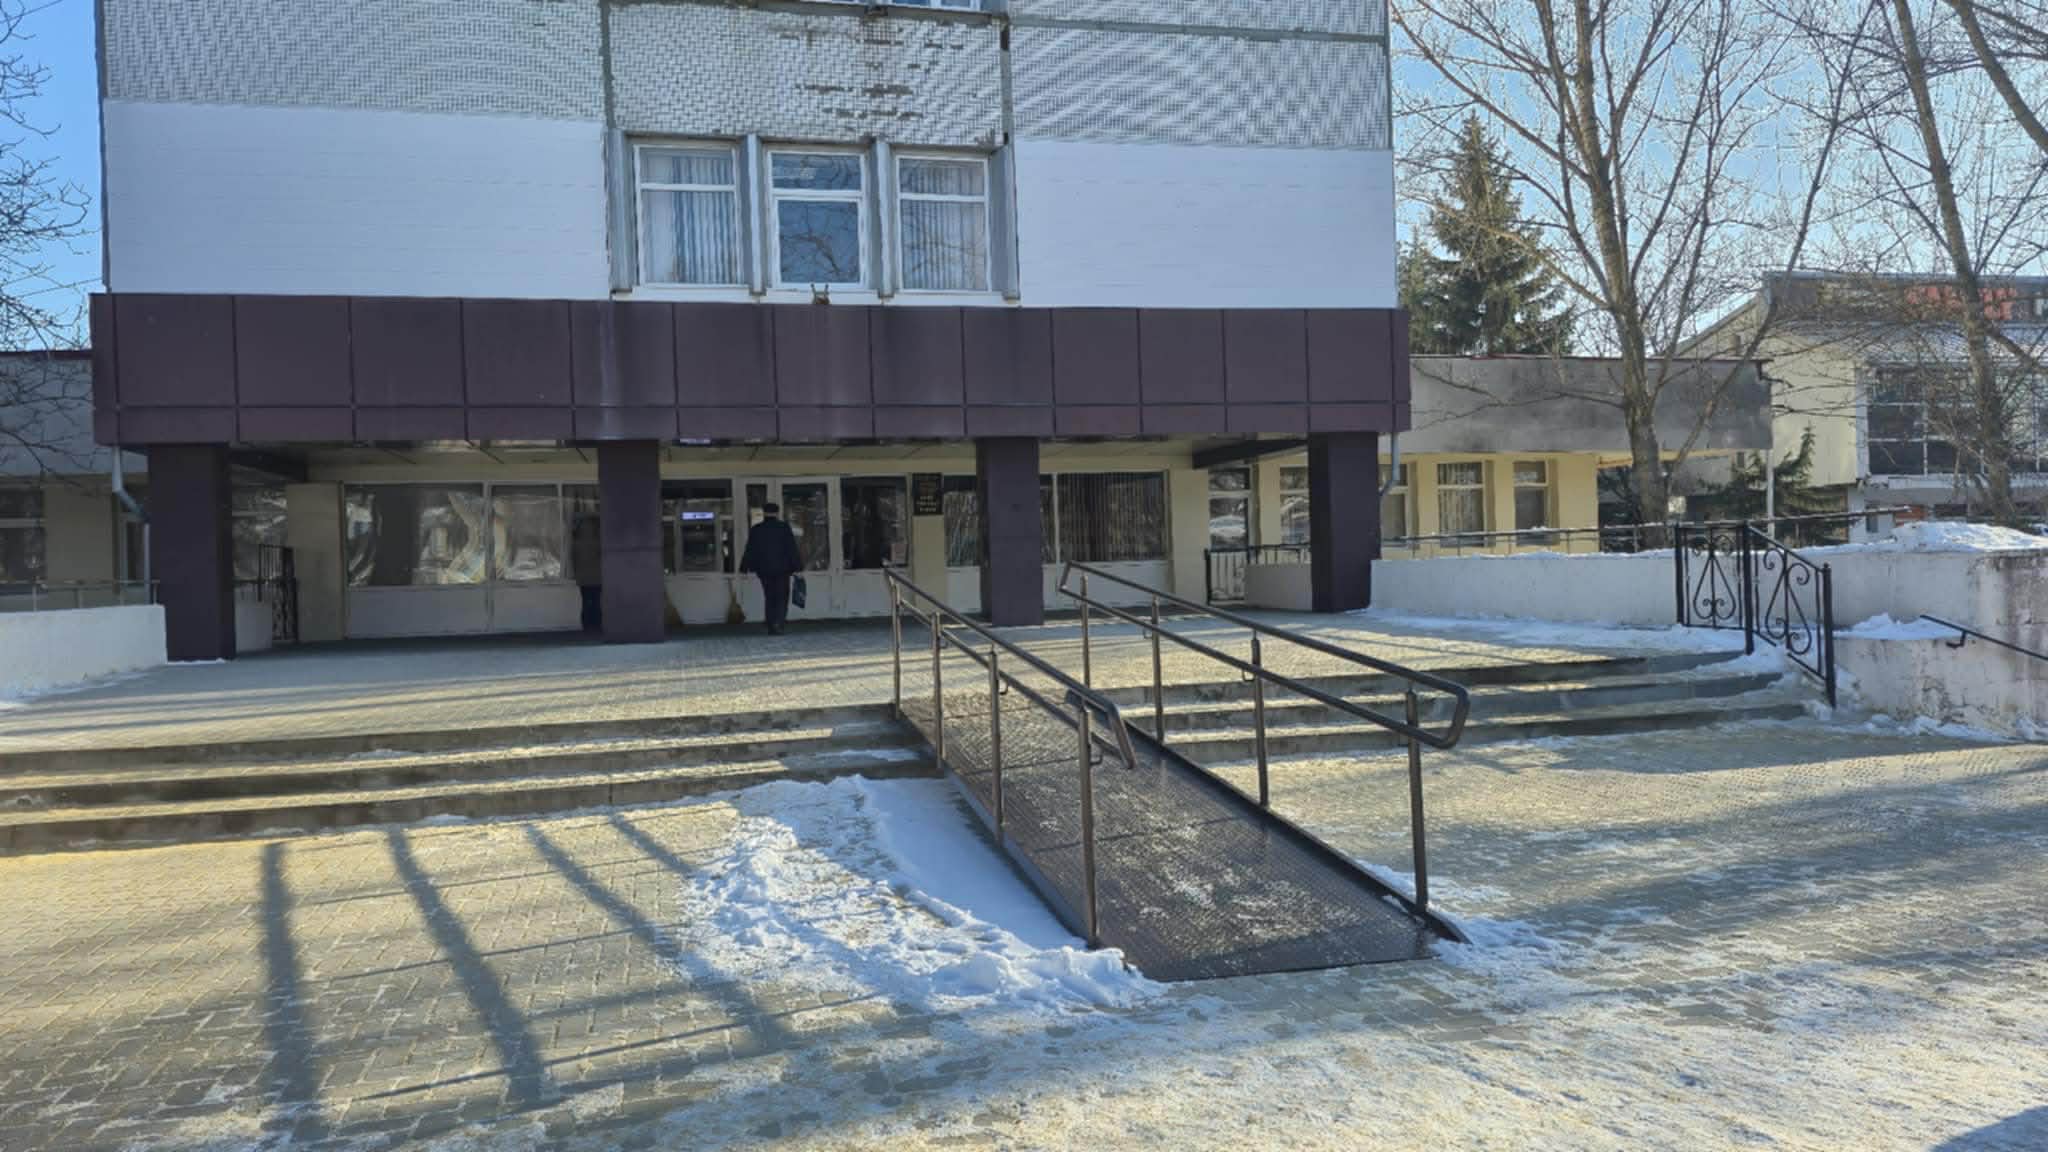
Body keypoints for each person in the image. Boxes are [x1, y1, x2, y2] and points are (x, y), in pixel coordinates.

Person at [740, 502, 802, 635]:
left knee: (769, 596)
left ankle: (770, 624)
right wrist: (797, 566)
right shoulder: (783, 528)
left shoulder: (757, 529)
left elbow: (750, 549)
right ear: (777, 512)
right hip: (782, 569)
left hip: (764, 570)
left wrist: (744, 567)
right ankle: (778, 623)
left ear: (763, 512)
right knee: (781, 597)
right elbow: (791, 548)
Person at [570, 512, 603, 633]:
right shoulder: (598, 542)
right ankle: (596, 626)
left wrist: (576, 574)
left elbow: (573, 560)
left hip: (584, 578)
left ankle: (587, 626)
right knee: (596, 602)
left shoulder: (576, 542)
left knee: (586, 602)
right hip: (597, 577)